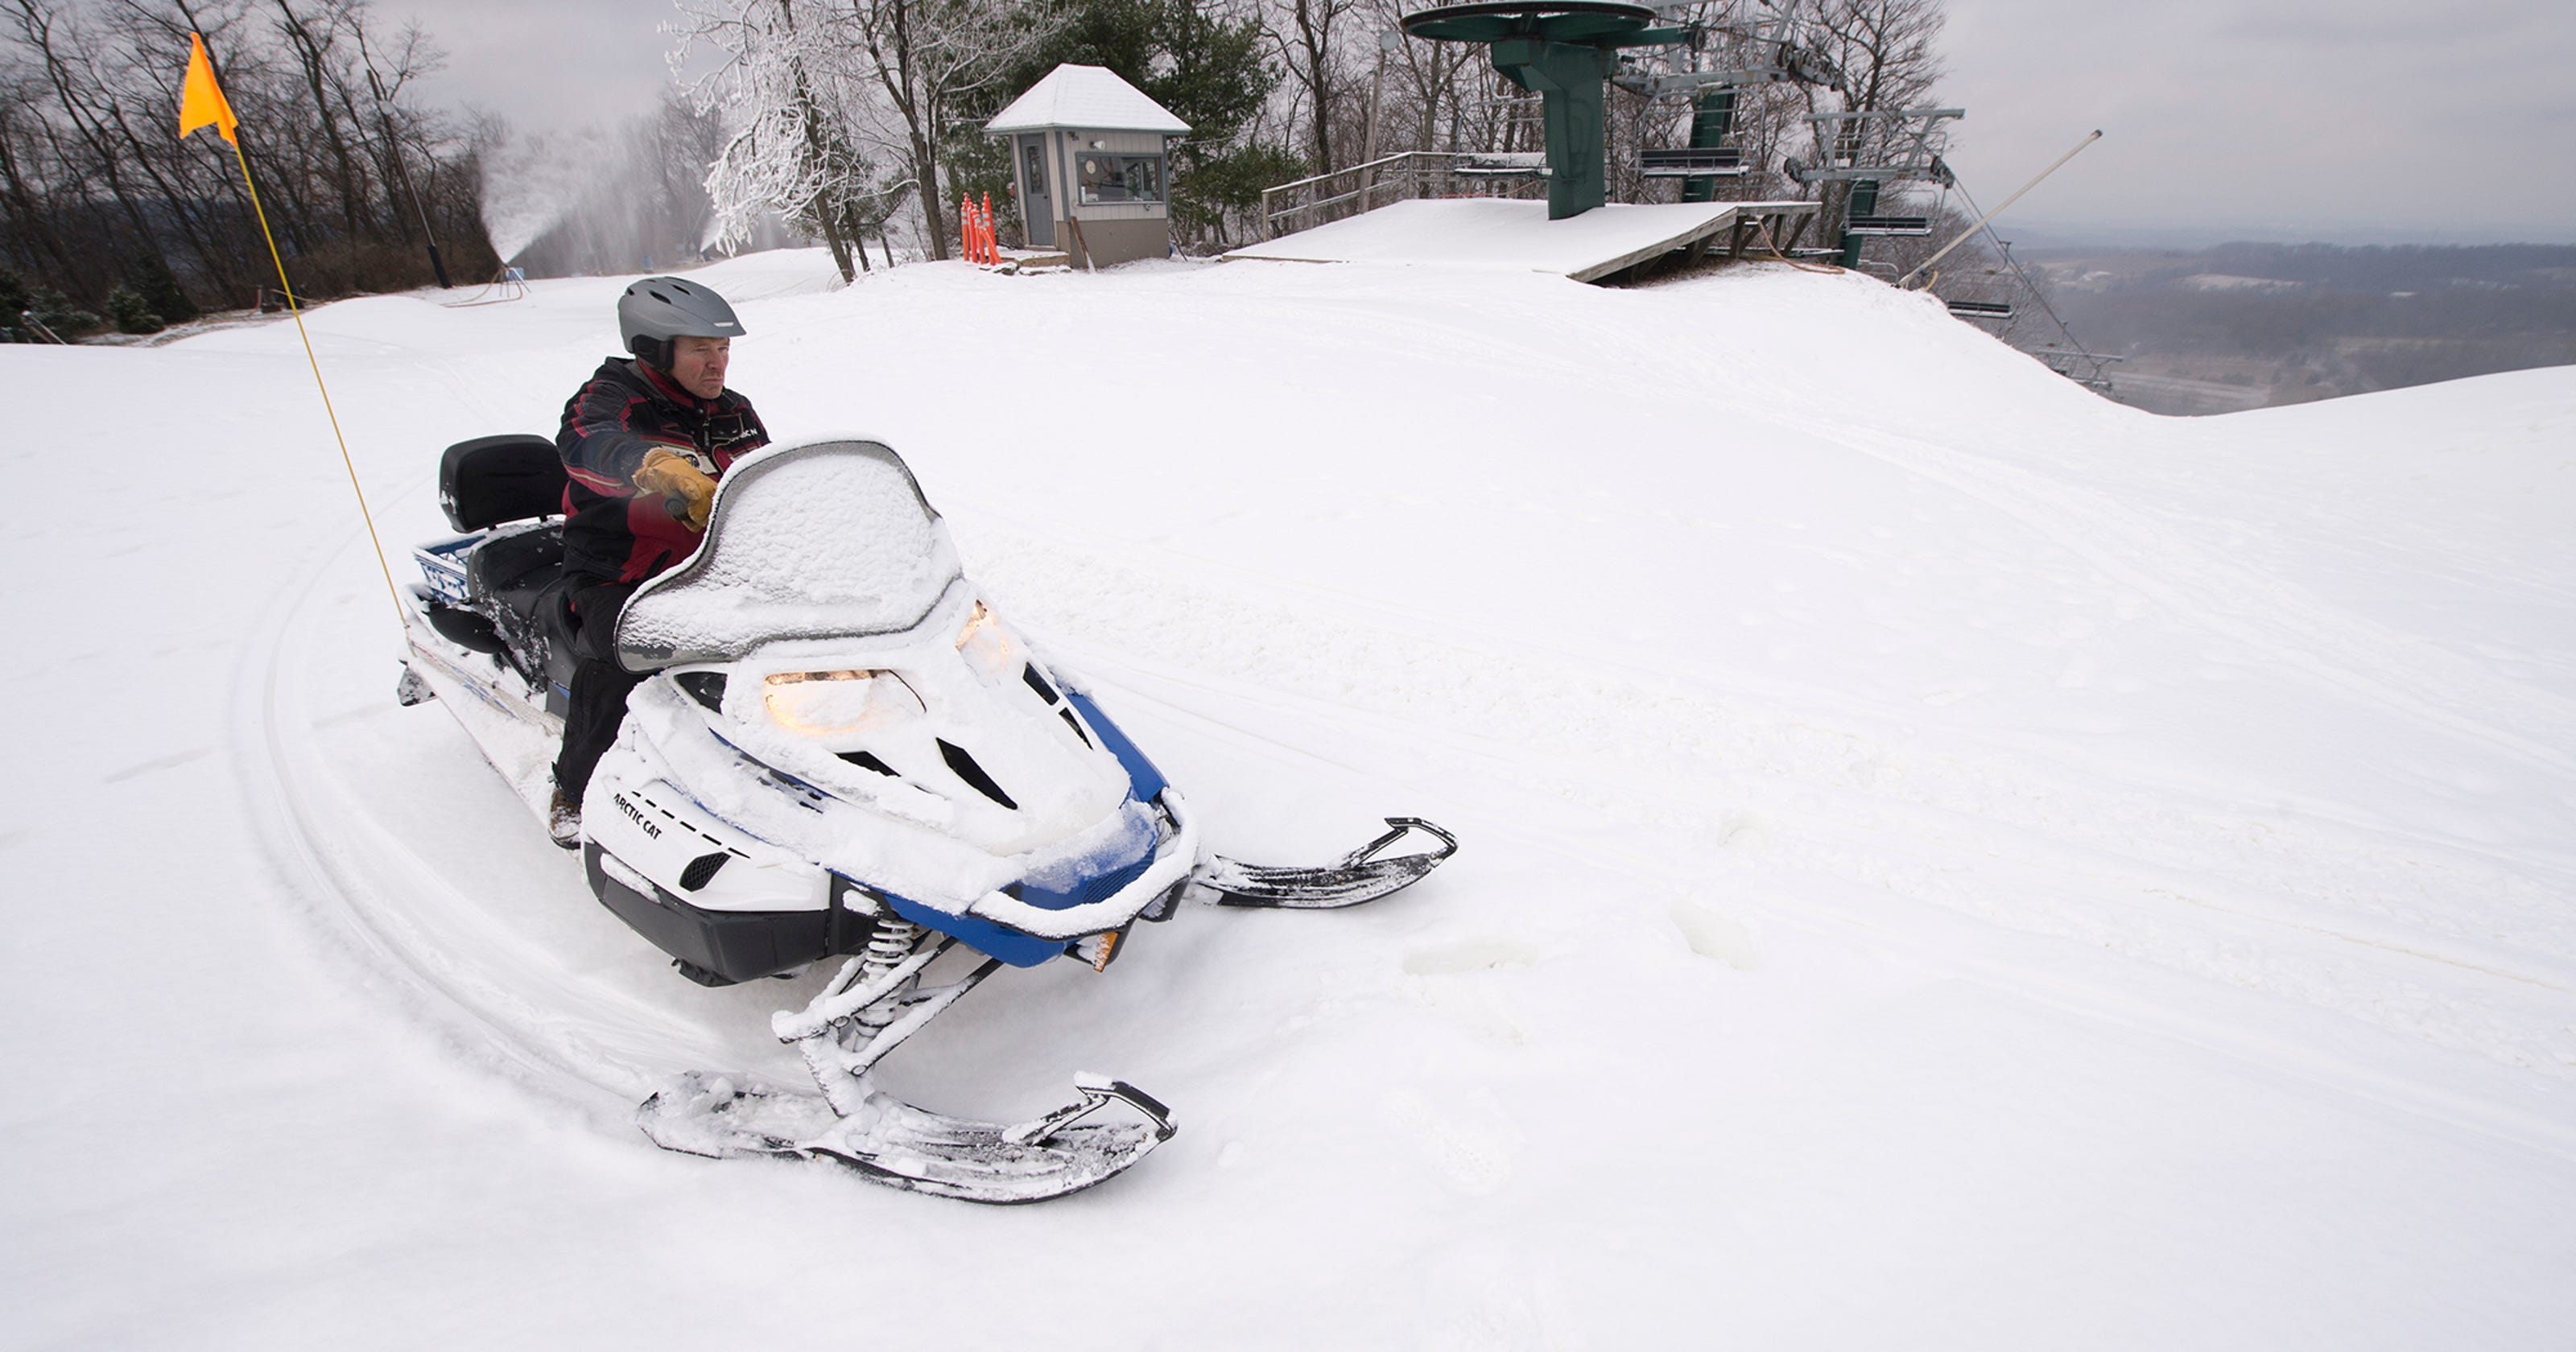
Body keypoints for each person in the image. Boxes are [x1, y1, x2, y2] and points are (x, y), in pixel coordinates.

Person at [547, 276, 769, 847]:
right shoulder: (609, 397)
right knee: (626, 652)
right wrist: (652, 464)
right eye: (701, 349)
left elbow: (766, 478)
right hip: (619, 571)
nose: (717, 363)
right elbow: (585, 443)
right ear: (653, 348)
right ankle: (576, 787)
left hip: (711, 567)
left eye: (722, 349)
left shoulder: (735, 411)